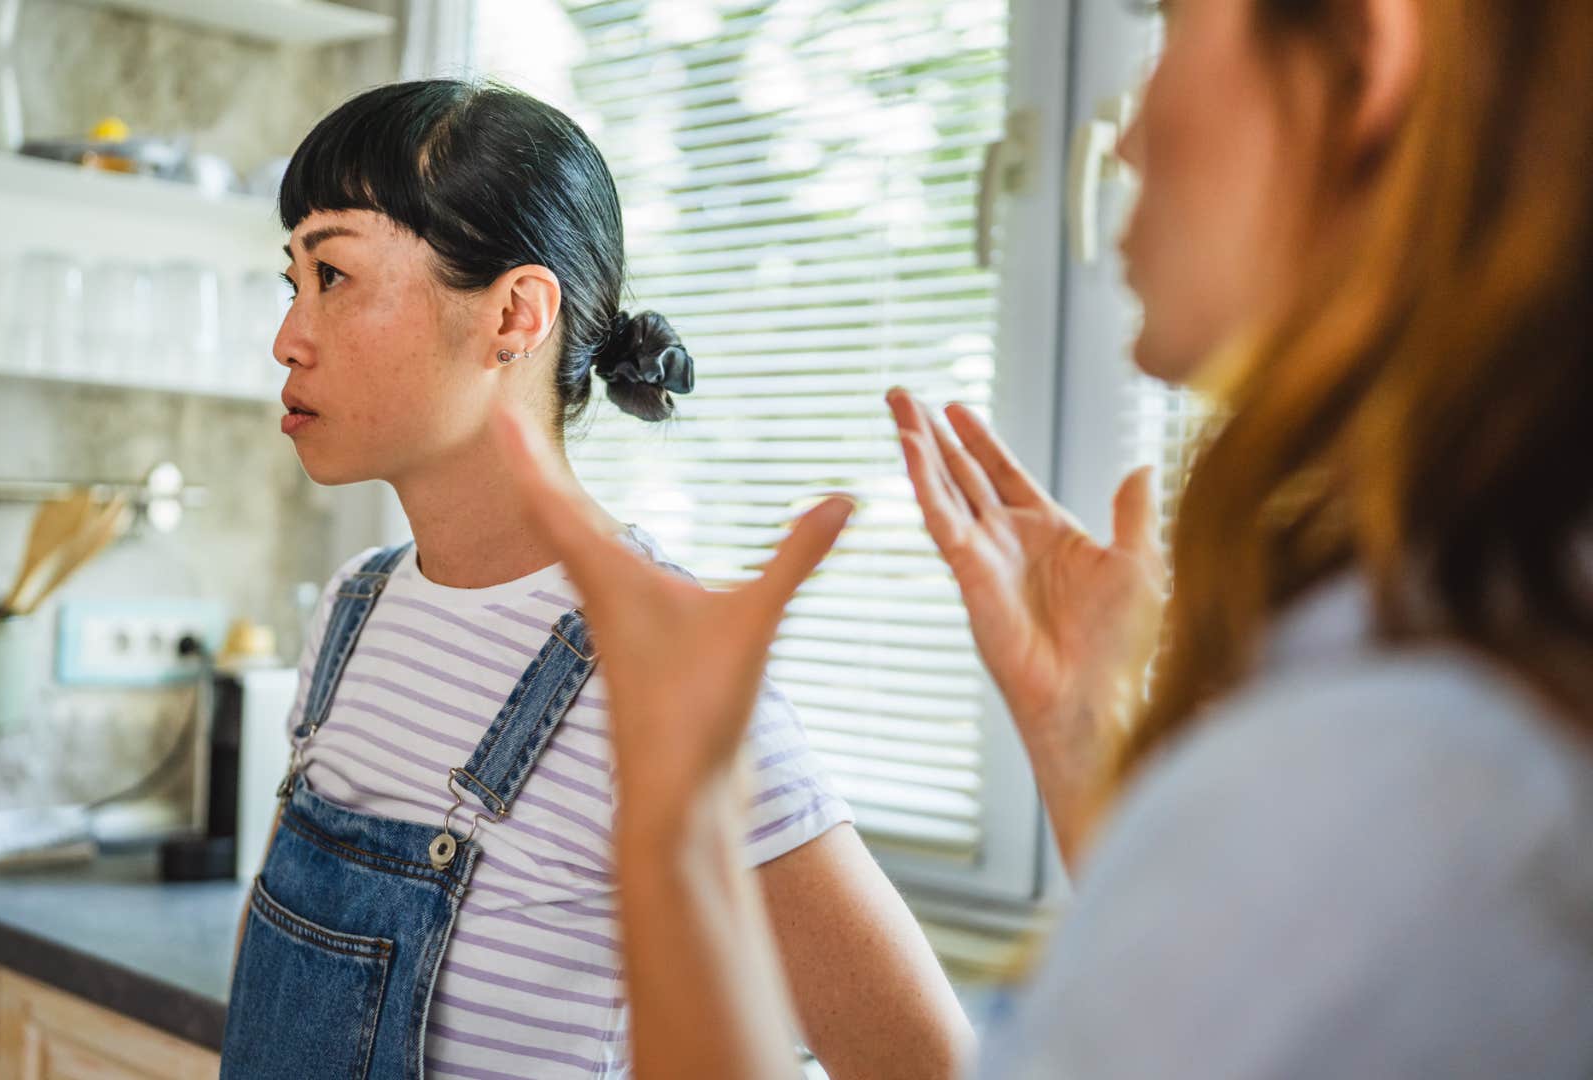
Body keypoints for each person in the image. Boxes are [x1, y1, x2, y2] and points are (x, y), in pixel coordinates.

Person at [488, 0, 1593, 1075]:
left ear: (1360, 60)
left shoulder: (1404, 771)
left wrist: (677, 815)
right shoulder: (1453, 686)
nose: (1120, 133)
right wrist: (1083, 740)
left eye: (1170, 24)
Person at [219, 79, 967, 1080]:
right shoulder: (356, 608)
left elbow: (924, 1063)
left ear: (515, 313)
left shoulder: (655, 664)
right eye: (293, 283)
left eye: (336, 277)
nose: (288, 337)